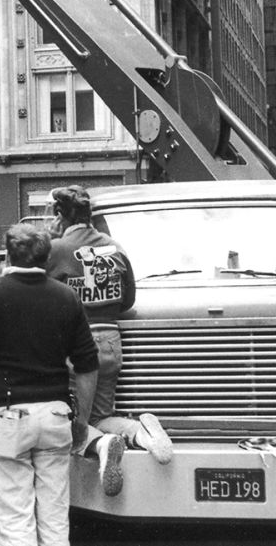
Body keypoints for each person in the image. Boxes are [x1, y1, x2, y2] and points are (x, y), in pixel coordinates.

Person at [0, 223, 99, 546]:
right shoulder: (66, 297)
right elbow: (88, 364)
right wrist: (82, 421)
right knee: (55, 518)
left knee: (15, 519)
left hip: (6, 415)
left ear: (7, 255)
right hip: (55, 416)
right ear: (46, 259)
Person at [45, 185, 173, 495]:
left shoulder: (59, 249)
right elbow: (128, 300)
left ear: (60, 215)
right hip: (112, 342)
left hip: (77, 347)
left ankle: (102, 446)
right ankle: (141, 434)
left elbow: (44, 296)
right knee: (103, 415)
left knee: (72, 422)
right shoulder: (116, 247)